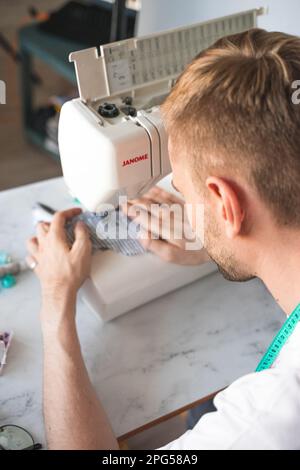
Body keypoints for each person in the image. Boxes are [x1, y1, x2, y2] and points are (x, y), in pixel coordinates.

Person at [26, 28, 300, 450]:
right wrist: (221, 246)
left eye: (184, 191)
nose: (177, 199)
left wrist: (55, 307)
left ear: (226, 204)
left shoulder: (268, 417)